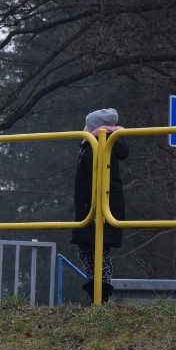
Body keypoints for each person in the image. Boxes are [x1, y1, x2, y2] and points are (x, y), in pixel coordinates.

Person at [71, 108, 129, 303]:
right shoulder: (95, 146)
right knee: (88, 249)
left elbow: (99, 181)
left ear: (95, 128)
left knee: (98, 250)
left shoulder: (97, 148)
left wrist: (96, 210)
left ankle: (100, 295)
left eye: (86, 125)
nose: (83, 128)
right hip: (92, 207)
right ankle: (97, 293)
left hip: (97, 208)